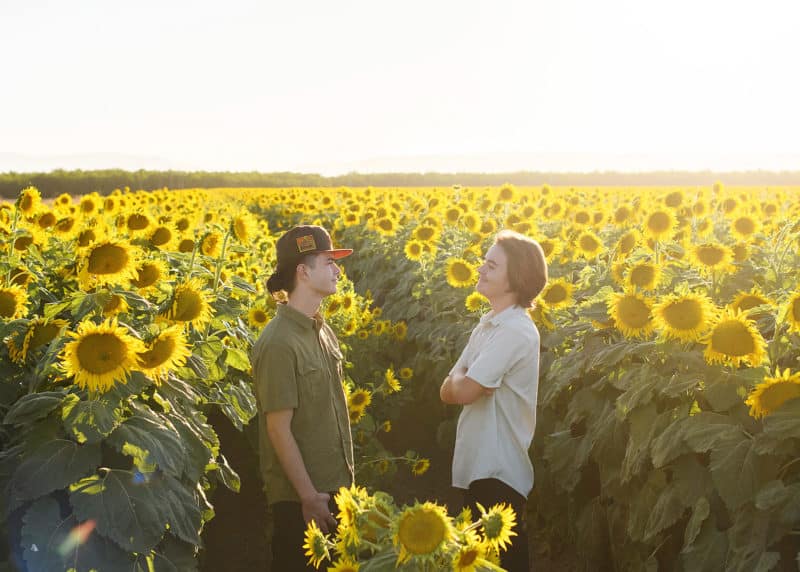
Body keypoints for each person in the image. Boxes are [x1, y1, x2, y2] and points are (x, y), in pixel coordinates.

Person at [440, 229, 548, 572]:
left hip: (499, 470)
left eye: (491, 265)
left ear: (515, 278)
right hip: (478, 466)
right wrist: (464, 382)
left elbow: (465, 390)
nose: (481, 270)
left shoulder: (514, 329)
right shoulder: (488, 325)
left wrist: (464, 382)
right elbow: (447, 389)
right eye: (483, 262)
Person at [251, 224, 355, 571]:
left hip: (335, 490)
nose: (337, 270)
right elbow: (279, 429)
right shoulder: (279, 343)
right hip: (301, 502)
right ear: (303, 272)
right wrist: (309, 497)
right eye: (328, 262)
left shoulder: (322, 331)